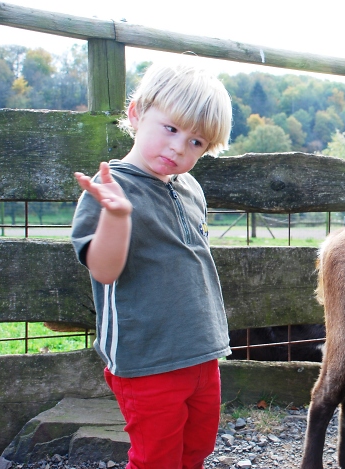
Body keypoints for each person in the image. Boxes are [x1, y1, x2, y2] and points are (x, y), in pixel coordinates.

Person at [70, 60, 232, 469]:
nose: (179, 147)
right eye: (172, 129)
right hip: (147, 360)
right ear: (137, 113)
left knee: (196, 448)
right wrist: (118, 218)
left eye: (197, 142)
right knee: (156, 458)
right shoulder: (110, 191)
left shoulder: (189, 188)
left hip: (200, 352)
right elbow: (104, 271)